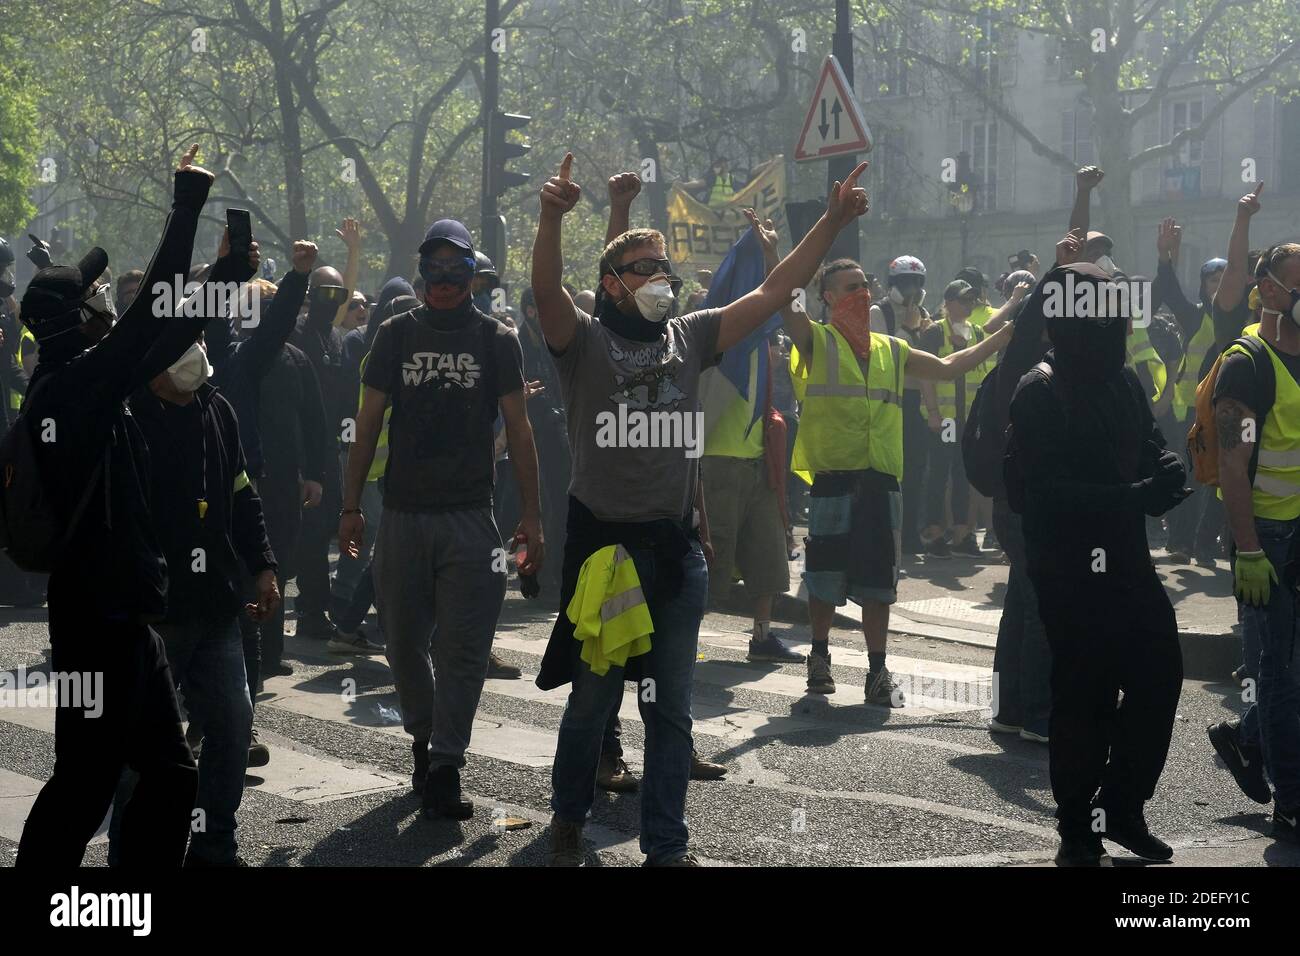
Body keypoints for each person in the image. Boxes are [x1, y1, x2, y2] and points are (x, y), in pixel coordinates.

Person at [533, 153, 869, 866]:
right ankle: (567, 816)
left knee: (669, 710)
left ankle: (667, 847)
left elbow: (779, 286)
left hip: (675, 556)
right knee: (593, 702)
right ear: (612, 286)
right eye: (644, 267)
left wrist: (830, 223)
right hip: (604, 555)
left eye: (665, 267)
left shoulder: (692, 336)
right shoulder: (584, 344)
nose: (662, 277)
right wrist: (551, 218)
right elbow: (546, 294)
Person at [15, 145, 238, 868]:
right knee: (86, 781)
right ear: (78, 320)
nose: (107, 303)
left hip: (121, 620)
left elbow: (165, 333)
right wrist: (186, 205)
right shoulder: (72, 390)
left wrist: (228, 279)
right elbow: (152, 315)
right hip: (94, 622)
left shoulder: (84, 383)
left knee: (169, 775)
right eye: (96, 297)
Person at [339, 218, 542, 820]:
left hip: (470, 519)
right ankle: (424, 743)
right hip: (401, 515)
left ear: (473, 274)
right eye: (436, 266)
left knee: (463, 648)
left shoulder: (497, 339)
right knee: (402, 644)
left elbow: (521, 430)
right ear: (423, 270)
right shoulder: (396, 336)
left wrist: (532, 517)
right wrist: (351, 509)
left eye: (458, 268)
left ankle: (447, 763)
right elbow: (367, 425)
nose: (446, 279)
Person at [1010, 260, 1188, 866]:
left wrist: (1165, 467)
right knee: (1083, 696)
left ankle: (1123, 807)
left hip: (1129, 565)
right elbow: (1042, 494)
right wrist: (1131, 497)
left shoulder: (1123, 380)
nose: (1114, 323)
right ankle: (1078, 829)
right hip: (1068, 572)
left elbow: (1148, 440)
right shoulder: (1040, 389)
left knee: (1159, 677)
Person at [785, 255, 1016, 703]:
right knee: (824, 576)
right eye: (851, 287)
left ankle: (877, 670)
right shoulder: (816, 341)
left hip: (881, 481)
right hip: (833, 479)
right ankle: (819, 656)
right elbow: (786, 304)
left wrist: (1005, 335)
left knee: (878, 582)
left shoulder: (893, 348)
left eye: (864, 285)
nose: (863, 293)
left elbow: (951, 366)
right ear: (829, 298)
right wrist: (780, 255)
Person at [115, 316, 279, 867]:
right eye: (182, 345)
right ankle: (132, 859)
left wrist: (263, 566)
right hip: (154, 617)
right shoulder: (127, 416)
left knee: (233, 726)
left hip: (216, 611)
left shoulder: (217, 410)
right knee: (142, 753)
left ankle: (213, 846)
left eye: (199, 341)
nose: (196, 352)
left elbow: (243, 496)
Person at [1207, 240, 1300, 845]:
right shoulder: (1246, 363)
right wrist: (1247, 548)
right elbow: (1234, 465)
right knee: (1278, 672)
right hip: (1262, 535)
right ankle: (1291, 802)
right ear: (1266, 288)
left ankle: (1246, 738)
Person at [699, 209, 802, 663]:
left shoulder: (763, 342)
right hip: (718, 464)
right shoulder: (718, 341)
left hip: (760, 463)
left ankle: (762, 637)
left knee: (768, 557)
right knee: (712, 560)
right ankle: (685, 638)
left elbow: (785, 297)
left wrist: (774, 253)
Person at [919, 279, 1026, 558]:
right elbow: (925, 375)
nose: (968, 305)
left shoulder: (978, 333)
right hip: (946, 420)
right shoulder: (934, 332)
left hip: (968, 419)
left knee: (964, 473)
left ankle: (962, 533)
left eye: (971, 300)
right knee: (940, 474)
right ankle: (933, 533)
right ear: (948, 302)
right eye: (962, 300)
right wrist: (933, 412)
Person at [1153, 218, 1226, 566]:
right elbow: (1168, 290)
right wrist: (1166, 255)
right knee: (1190, 479)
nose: (1219, 287)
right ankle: (1181, 541)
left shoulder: (1241, 320)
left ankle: (1205, 541)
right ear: (1204, 286)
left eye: (1225, 281)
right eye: (1213, 281)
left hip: (1225, 414)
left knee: (1217, 481)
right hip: (1188, 414)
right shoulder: (1196, 317)